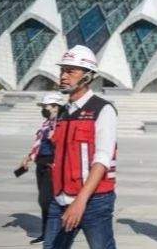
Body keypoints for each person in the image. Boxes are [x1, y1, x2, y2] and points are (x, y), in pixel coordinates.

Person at [44, 45, 118, 249]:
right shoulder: (62, 112)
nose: (63, 76)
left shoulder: (102, 109)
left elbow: (102, 158)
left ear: (87, 76)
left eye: (71, 71)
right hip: (59, 199)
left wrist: (80, 201)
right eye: (62, 70)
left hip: (94, 200)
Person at [17, 93, 63, 244]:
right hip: (41, 163)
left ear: (56, 107)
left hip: (52, 164)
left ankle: (55, 232)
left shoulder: (62, 123)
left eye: (46, 107)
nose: (44, 109)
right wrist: (29, 157)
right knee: (45, 201)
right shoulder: (46, 124)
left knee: (46, 200)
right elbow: (40, 144)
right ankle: (46, 232)